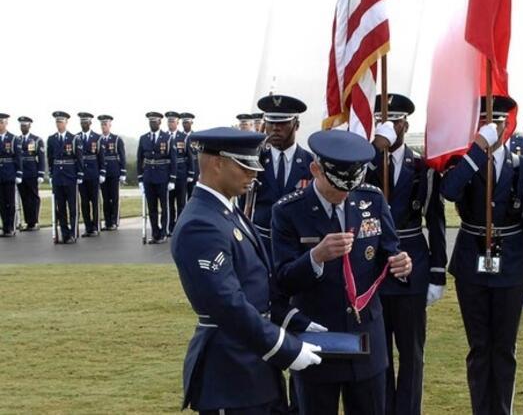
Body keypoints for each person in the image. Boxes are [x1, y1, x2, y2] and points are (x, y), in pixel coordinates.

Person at [170, 127, 324, 414]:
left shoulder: (225, 211)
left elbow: (256, 284)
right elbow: (226, 304)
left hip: (253, 367)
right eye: (244, 166)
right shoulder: (201, 224)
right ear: (217, 163)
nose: (253, 174)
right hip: (231, 373)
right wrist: (286, 348)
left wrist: (291, 319)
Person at [272, 129, 412, 415]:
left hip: (366, 338)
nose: (345, 193)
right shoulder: (288, 211)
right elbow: (283, 280)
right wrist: (315, 257)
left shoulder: (370, 199)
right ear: (315, 170)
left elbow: (389, 250)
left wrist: (402, 263)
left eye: (351, 184)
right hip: (317, 338)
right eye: (337, 185)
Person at [441, 95, 523, 415]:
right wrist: (476, 152)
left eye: (497, 121)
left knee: (505, 349)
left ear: (507, 125)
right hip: (471, 263)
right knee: (479, 348)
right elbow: (449, 192)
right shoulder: (463, 163)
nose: (493, 127)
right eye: (485, 122)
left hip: (510, 264)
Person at [367, 93, 447, 415]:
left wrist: (438, 272)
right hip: (373, 266)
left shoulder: (423, 168)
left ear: (405, 123)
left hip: (413, 263)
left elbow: (436, 221)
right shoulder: (365, 164)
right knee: (379, 349)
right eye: (380, 121)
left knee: (412, 351)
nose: (387, 126)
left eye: (394, 120)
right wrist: (375, 152)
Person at [243, 95, 313, 259]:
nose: (275, 128)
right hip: (262, 243)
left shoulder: (311, 164)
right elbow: (244, 206)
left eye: (282, 122)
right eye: (270, 122)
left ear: (296, 125)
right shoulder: (254, 162)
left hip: (298, 245)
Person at [138, 112, 176, 243]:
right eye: (150, 122)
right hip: (148, 177)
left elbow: (173, 160)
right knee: (152, 207)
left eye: (154, 121)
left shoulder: (168, 138)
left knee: (164, 207)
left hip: (163, 177)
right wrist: (140, 179)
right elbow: (140, 159)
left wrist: (172, 179)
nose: (152, 124)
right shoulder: (144, 138)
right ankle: (155, 233)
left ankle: (164, 233)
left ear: (160, 122)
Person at [47, 111, 82, 243]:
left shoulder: (74, 139)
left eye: (61, 121)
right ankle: (64, 233)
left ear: (66, 122)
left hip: (70, 176)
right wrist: (50, 173)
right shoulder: (51, 139)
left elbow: (79, 158)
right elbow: (50, 158)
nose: (59, 124)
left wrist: (79, 173)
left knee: (72, 207)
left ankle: (73, 233)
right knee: (60, 208)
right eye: (57, 122)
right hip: (57, 176)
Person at [76, 112, 105, 237]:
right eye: (82, 122)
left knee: (94, 201)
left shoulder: (97, 138)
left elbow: (101, 157)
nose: (84, 124)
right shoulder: (76, 137)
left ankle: (95, 225)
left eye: (86, 122)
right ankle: (88, 227)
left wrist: (102, 172)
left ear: (90, 123)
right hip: (82, 174)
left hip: (93, 173)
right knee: (84, 201)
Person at [15, 116, 45, 231]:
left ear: (29, 126)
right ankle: (29, 222)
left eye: (25, 125)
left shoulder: (36, 140)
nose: (23, 127)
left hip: (32, 172)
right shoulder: (16, 140)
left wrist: (41, 174)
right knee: (24, 198)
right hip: (21, 174)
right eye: (21, 125)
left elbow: (41, 158)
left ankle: (34, 222)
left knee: (33, 198)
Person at [98, 115, 126, 230]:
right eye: (102, 124)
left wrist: (123, 172)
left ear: (110, 125)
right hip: (103, 173)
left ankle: (114, 221)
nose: (103, 127)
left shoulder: (116, 139)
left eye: (105, 124)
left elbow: (122, 156)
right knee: (105, 198)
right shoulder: (98, 140)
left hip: (114, 171)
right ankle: (107, 221)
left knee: (114, 198)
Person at [167, 111, 192, 233]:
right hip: (168, 175)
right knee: (169, 203)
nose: (170, 124)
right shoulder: (165, 137)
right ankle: (170, 226)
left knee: (181, 202)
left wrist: (190, 174)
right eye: (169, 121)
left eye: (173, 121)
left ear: (177, 122)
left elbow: (190, 156)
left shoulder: (184, 137)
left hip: (181, 174)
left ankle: (180, 226)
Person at [0, 113, 23, 236]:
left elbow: (18, 157)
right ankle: (5, 227)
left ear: (6, 123)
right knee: (2, 203)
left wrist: (18, 173)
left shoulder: (13, 139)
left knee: (10, 202)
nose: (0, 125)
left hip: (9, 173)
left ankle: (11, 227)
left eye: (1, 122)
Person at [182, 113, 198, 198]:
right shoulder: (179, 137)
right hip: (183, 169)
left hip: (195, 169)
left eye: (187, 122)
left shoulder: (197, 137)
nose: (185, 124)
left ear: (191, 123)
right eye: (184, 122)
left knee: (193, 195)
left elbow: (200, 154)